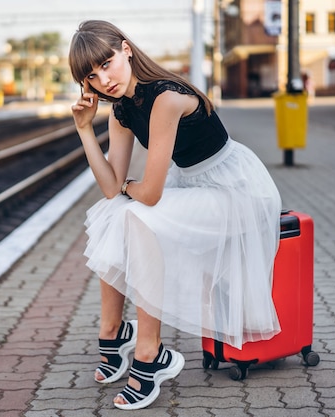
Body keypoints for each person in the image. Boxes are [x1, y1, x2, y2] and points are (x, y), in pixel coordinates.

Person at [69, 20, 282, 410]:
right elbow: (109, 187)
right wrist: (85, 129)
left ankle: (151, 355)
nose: (103, 79)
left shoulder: (166, 97)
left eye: (107, 63)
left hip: (234, 191)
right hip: (193, 187)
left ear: (126, 49)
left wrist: (127, 189)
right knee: (110, 211)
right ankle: (113, 332)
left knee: (136, 216)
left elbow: (146, 194)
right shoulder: (121, 113)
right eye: (91, 76)